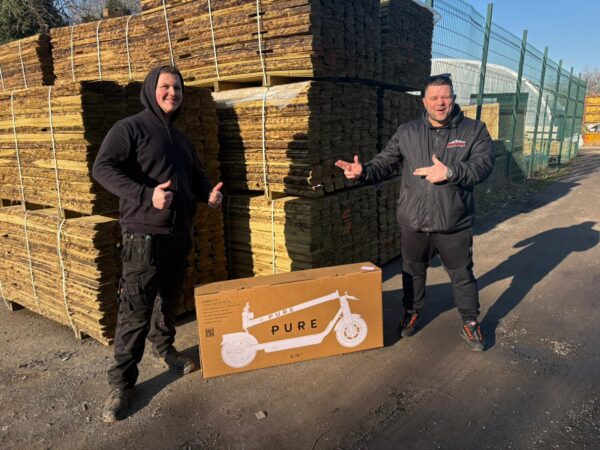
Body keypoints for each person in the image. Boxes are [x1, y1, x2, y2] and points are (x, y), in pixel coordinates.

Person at [92, 65, 223, 422]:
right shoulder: (130, 128)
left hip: (178, 235)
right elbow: (102, 168)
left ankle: (165, 349)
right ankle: (121, 384)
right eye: (166, 86)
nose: (172, 93)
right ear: (152, 89)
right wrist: (145, 194)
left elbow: (196, 177)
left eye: (177, 88)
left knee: (168, 301)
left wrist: (208, 194)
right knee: (135, 311)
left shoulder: (181, 139)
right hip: (143, 235)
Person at [335, 74, 494, 352]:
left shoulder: (473, 130)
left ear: (454, 99)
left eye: (445, 97)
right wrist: (363, 172)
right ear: (424, 101)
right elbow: (385, 162)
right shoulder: (407, 132)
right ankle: (412, 311)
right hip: (414, 221)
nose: (440, 103)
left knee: (462, 275)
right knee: (412, 272)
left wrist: (451, 172)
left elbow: (483, 165)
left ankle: (470, 321)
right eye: (434, 98)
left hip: (453, 222)